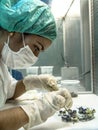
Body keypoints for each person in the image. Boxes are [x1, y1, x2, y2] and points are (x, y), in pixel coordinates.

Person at [0, 0, 73, 130]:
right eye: (36, 47)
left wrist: (32, 82)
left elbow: (7, 91)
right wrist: (36, 110)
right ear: (15, 31)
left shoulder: (2, 62)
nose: (35, 57)